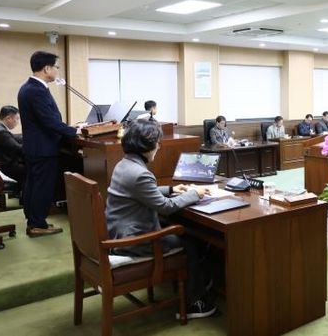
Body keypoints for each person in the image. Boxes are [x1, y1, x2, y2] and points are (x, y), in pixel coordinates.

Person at [104, 120, 218, 319]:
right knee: (191, 242)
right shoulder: (141, 173)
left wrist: (172, 189)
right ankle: (194, 301)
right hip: (135, 240)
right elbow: (166, 206)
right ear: (145, 146)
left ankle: (199, 282)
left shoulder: (124, 165)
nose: (159, 146)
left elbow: (140, 192)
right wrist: (195, 193)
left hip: (118, 232)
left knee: (185, 233)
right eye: (157, 142)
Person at [18, 51, 80, 237]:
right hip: (42, 148)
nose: (57, 70)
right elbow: (49, 121)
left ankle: (33, 221)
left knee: (33, 184)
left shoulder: (28, 87)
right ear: (46, 68)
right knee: (41, 186)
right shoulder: (36, 90)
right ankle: (38, 224)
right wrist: (75, 131)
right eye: (56, 67)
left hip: (35, 147)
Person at [0, 106, 26, 194]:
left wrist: (25, 137)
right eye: (17, 119)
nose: (17, 122)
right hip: (5, 166)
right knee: (34, 172)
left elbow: (11, 138)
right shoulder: (1, 132)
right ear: (8, 118)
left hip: (0, 164)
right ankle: (27, 199)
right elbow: (18, 149)